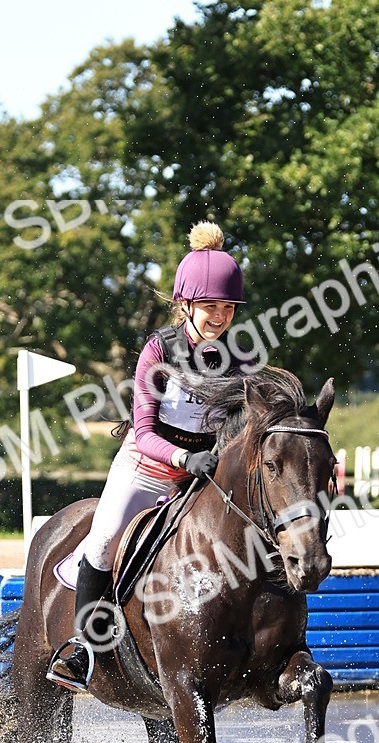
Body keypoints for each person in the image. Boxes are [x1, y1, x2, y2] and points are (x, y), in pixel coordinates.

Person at [47, 222, 245, 691]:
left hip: (202, 480)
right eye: (210, 306)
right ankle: (83, 651)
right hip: (148, 469)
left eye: (227, 307)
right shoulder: (159, 350)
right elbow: (145, 429)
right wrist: (184, 458)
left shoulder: (237, 361)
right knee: (104, 540)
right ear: (186, 304)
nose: (219, 316)